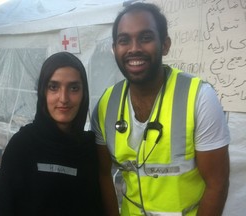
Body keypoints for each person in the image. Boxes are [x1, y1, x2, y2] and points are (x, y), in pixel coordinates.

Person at [91, 3, 230, 216]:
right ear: (114, 48)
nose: (134, 48)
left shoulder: (199, 97)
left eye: (145, 38)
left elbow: (217, 183)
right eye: (124, 40)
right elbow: (103, 175)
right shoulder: (106, 104)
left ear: (165, 45)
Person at [0, 52, 103, 216]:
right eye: (54, 87)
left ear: (83, 94)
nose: (63, 98)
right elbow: (1, 206)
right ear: (43, 92)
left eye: (73, 88)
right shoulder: (23, 145)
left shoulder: (88, 149)